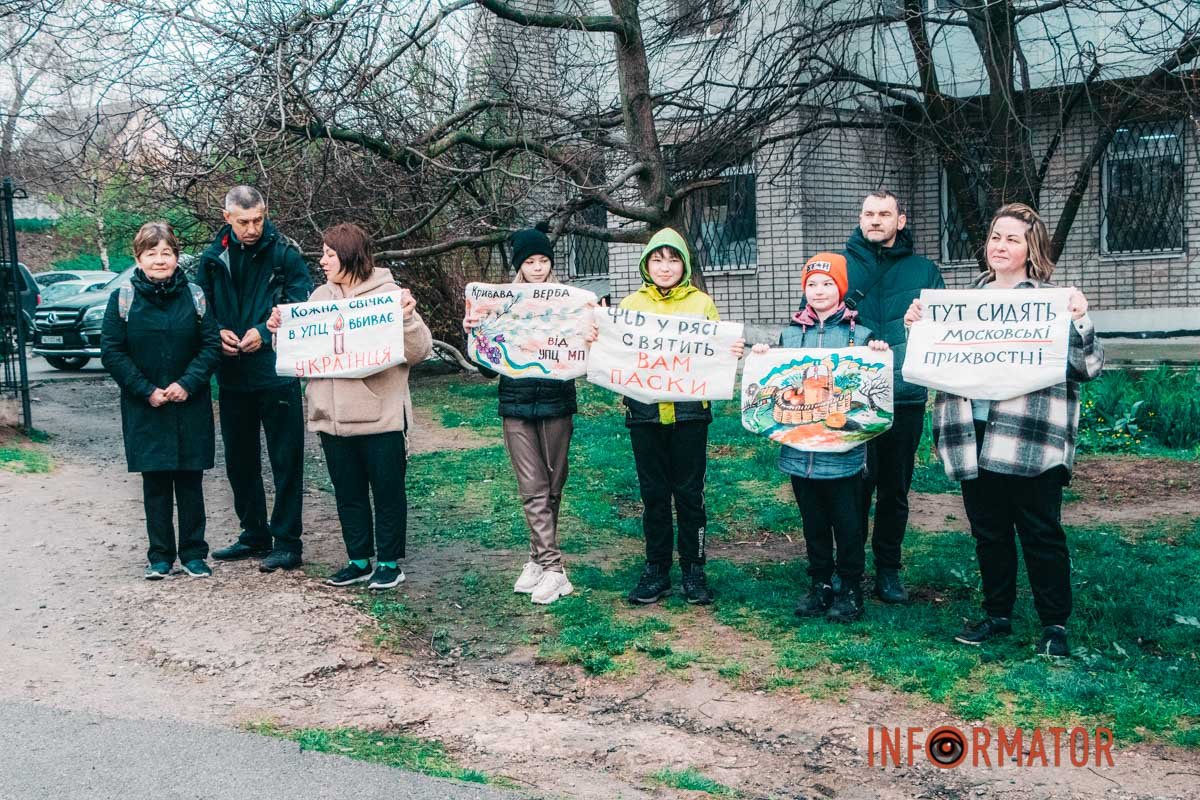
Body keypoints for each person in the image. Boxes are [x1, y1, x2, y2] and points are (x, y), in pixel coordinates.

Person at [905, 202, 1104, 657]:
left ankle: (1055, 624)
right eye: (995, 236)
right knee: (989, 532)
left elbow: (1088, 367)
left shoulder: (1053, 302)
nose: (1000, 246)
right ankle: (998, 614)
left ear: (1030, 249)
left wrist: (1079, 319)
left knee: (1041, 532)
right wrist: (917, 326)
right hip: (972, 434)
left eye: (1012, 239)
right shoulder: (959, 303)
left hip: (1030, 438)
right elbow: (928, 363)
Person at [267, 223, 431, 590]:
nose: (322, 260)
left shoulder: (389, 295)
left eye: (329, 253)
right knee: (348, 491)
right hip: (331, 418)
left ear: (349, 254)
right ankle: (358, 558)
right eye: (322, 253)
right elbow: (299, 355)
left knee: (387, 491)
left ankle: (388, 562)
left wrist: (406, 317)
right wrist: (280, 331)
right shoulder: (318, 299)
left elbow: (420, 350)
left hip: (380, 416)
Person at [607, 228, 744, 606]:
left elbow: (716, 352)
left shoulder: (701, 303)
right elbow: (617, 352)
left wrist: (729, 349)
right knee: (653, 495)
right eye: (657, 259)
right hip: (644, 414)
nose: (665, 267)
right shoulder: (631, 304)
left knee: (689, 494)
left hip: (689, 415)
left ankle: (694, 568)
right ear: (646, 264)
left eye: (672, 259)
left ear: (683, 264)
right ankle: (656, 569)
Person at [751, 253, 889, 621]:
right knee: (812, 522)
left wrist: (878, 354)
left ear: (841, 288)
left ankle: (850, 588)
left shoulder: (861, 335)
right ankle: (820, 584)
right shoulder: (791, 334)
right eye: (812, 284)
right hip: (800, 452)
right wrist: (764, 356)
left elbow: (871, 383)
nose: (819, 290)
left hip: (843, 453)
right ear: (804, 289)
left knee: (847, 524)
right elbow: (774, 379)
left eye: (828, 284)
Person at [197, 186, 314, 572]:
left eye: (258, 220)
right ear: (227, 217)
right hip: (232, 374)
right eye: (244, 221)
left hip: (277, 373)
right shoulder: (212, 258)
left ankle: (287, 541)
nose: (252, 228)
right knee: (239, 460)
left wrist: (265, 332)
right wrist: (217, 334)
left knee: (286, 459)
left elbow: (302, 304)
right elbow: (202, 308)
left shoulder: (284, 253)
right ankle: (253, 533)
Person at [462, 228, 578, 605]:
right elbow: (487, 369)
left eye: (543, 261)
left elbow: (581, 353)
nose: (538, 268)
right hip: (515, 404)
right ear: (519, 266)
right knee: (532, 488)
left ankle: (536, 559)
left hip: (557, 402)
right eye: (530, 262)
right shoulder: (502, 304)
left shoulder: (568, 302)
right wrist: (477, 335)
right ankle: (555, 569)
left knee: (552, 486)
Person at [101, 222, 222, 579]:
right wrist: (145, 389)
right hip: (146, 407)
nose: (159, 260)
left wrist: (187, 383)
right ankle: (160, 556)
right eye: (151, 253)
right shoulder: (123, 299)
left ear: (176, 256)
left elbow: (211, 346)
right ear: (139, 258)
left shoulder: (195, 296)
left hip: (189, 404)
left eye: (166, 253)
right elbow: (112, 351)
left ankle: (194, 554)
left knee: (189, 482)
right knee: (155, 484)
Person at [843, 189, 945, 604]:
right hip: (850, 399)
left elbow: (943, 328)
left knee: (894, 490)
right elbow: (807, 319)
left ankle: (888, 571)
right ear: (860, 217)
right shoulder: (840, 266)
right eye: (869, 213)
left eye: (885, 214)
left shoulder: (924, 271)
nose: (875, 220)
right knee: (852, 488)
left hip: (904, 397)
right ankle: (848, 569)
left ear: (900, 221)